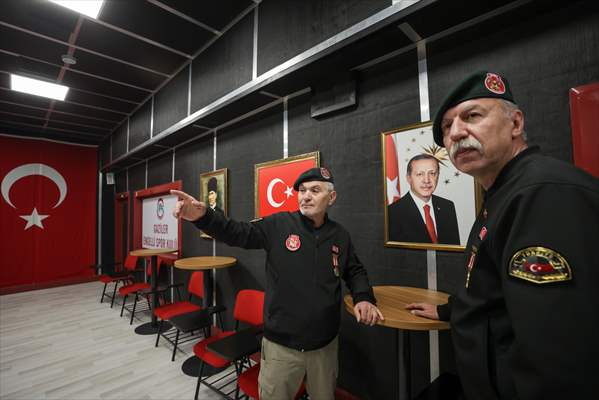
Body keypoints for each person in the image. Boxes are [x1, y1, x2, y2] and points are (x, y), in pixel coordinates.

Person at [405, 71, 599, 399]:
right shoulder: (504, 192)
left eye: (472, 116)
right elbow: (500, 291)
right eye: (446, 127)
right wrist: (450, 310)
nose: (455, 133)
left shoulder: (543, 193)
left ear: (516, 124)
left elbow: (558, 354)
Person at [171, 167, 383, 400]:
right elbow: (237, 232)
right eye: (302, 190)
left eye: (315, 190)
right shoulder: (279, 224)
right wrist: (204, 218)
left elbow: (354, 270)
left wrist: (363, 297)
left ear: (331, 197)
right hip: (281, 349)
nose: (306, 196)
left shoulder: (340, 235)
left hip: (324, 348)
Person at [388, 153, 460, 244]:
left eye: (432, 173)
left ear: (438, 176)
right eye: (419, 174)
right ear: (408, 178)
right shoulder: (393, 212)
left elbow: (454, 252)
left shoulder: (447, 206)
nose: (426, 180)